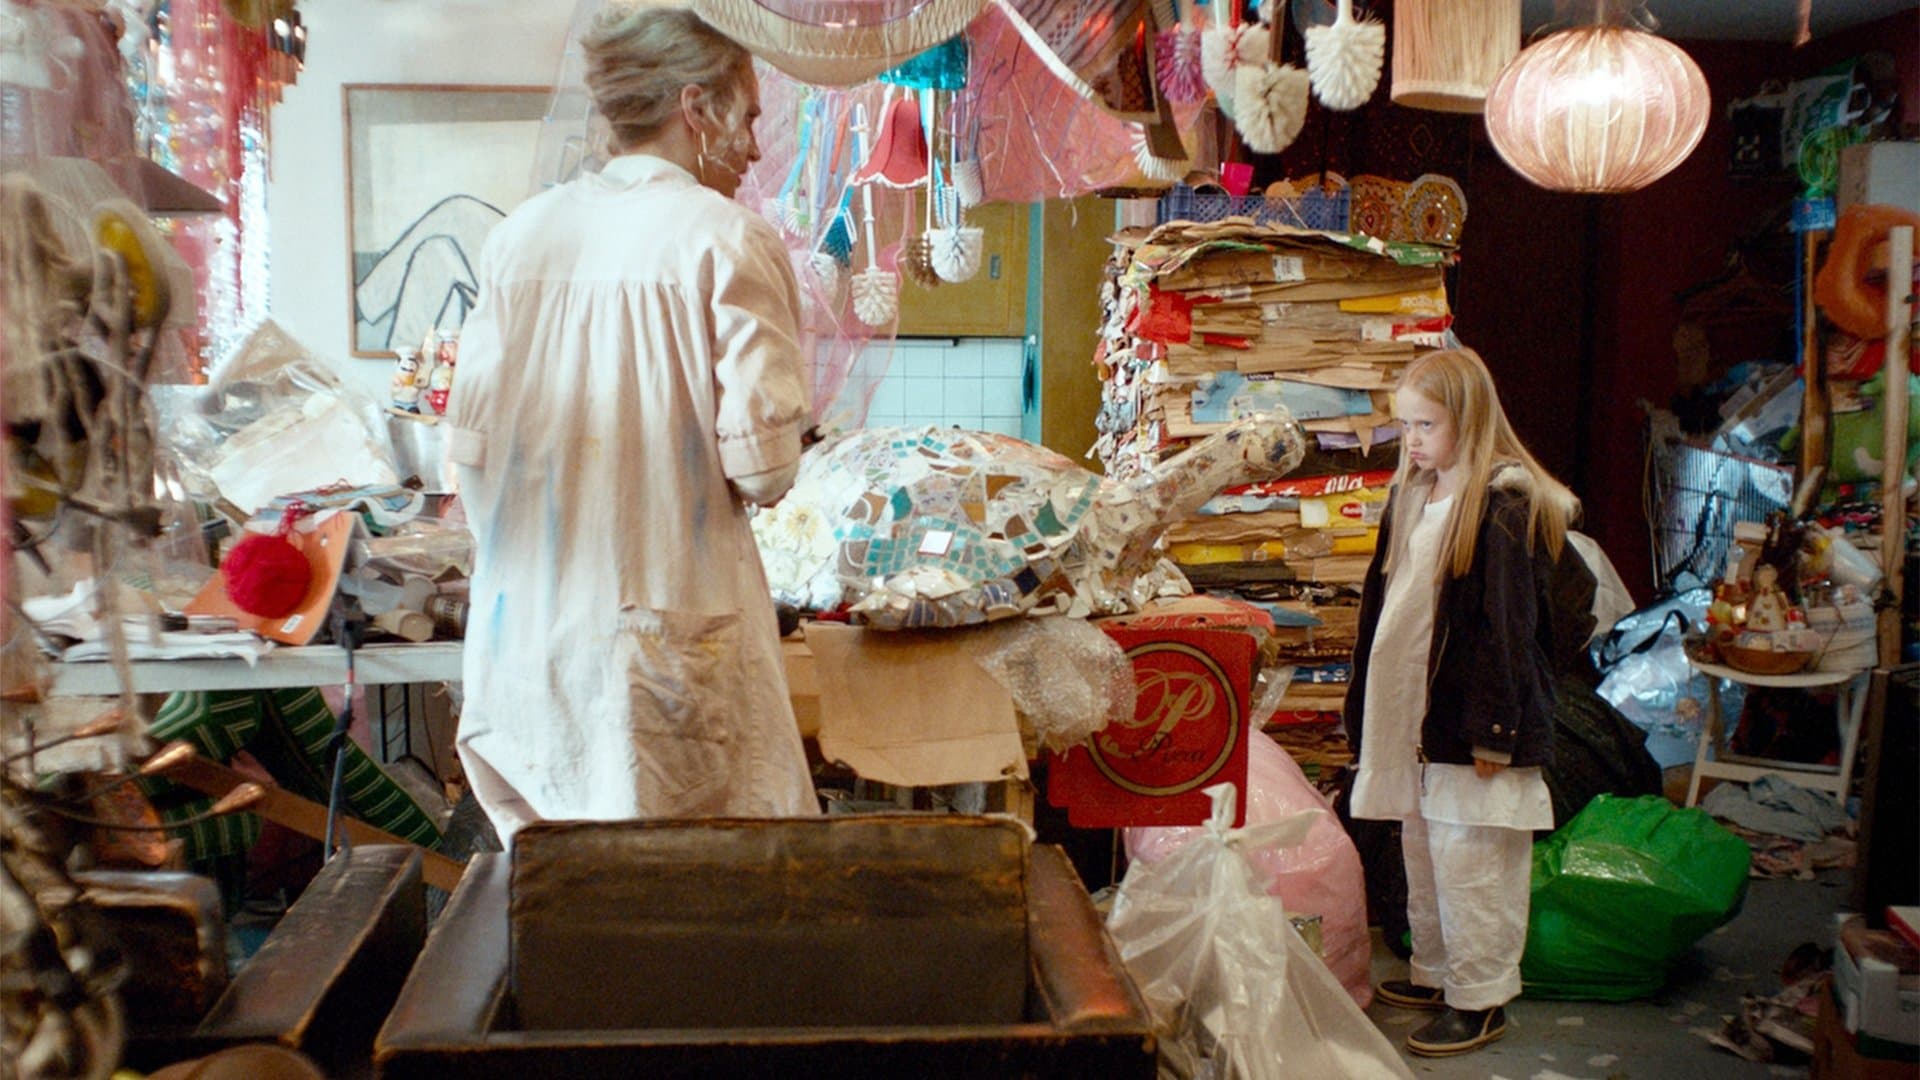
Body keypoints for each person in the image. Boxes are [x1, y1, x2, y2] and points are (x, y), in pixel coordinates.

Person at [444, 7, 817, 842]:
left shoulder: (520, 237)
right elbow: (764, 471)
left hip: (526, 641)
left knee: (560, 885)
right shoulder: (726, 239)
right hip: (663, 643)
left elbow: (468, 453)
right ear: (697, 107)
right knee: (684, 895)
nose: (756, 149)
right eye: (750, 117)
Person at [1343, 347, 1580, 1056]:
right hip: (1420, 720)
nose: (1412, 441)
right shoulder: (1415, 494)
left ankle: (1480, 998)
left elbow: (1508, 632)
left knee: (1473, 860)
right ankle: (1439, 973)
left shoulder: (1501, 506)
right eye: (1405, 426)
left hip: (1471, 722)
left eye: (1427, 425)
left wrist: (1494, 731)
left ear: (1469, 421)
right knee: (1425, 850)